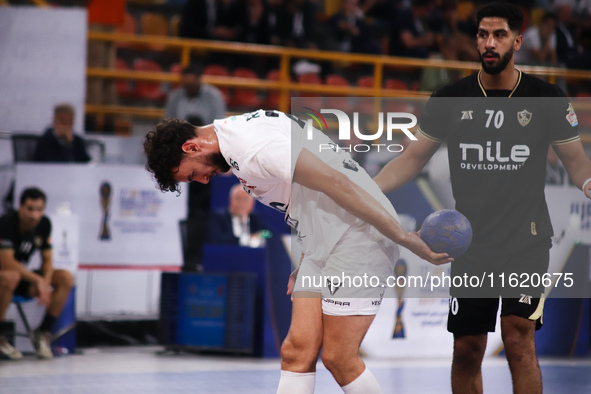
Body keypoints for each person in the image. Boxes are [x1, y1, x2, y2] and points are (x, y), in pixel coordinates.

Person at [143, 109, 451, 393]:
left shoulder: (252, 148)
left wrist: (403, 237)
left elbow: (336, 182)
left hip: (358, 232)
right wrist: (304, 259)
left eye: (193, 174)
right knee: (296, 352)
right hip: (322, 240)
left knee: (339, 358)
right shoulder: (233, 134)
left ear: (191, 148)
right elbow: (309, 200)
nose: (203, 180)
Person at [373, 3, 591, 393]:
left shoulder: (546, 98)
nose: (489, 43)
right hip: (471, 243)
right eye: (482, 35)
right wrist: (365, 191)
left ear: (518, 41)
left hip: (527, 239)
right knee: (468, 348)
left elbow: (577, 165)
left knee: (518, 338)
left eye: (500, 35)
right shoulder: (450, 99)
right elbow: (411, 158)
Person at [0, 188, 75, 360]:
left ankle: (42, 333)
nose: (35, 215)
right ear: (20, 207)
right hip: (4, 277)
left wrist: (45, 282)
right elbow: (7, 262)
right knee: (11, 276)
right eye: (30, 209)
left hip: (22, 279)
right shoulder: (6, 223)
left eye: (39, 209)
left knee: (65, 277)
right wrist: (39, 280)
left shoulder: (44, 224)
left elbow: (47, 260)